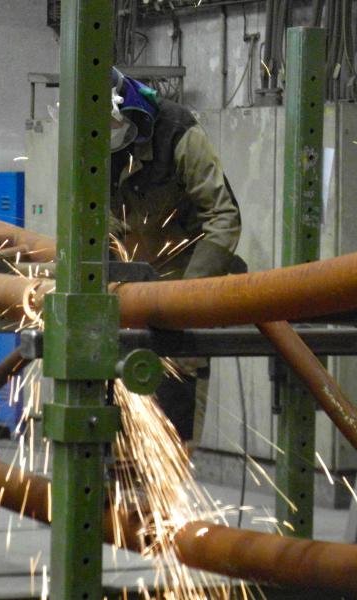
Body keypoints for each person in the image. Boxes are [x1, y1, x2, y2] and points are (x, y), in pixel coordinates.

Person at [109, 67, 244, 449]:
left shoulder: (177, 131)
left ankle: (169, 500)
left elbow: (223, 217)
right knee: (113, 431)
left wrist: (186, 296)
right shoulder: (86, 139)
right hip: (124, 300)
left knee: (170, 435)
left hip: (178, 298)